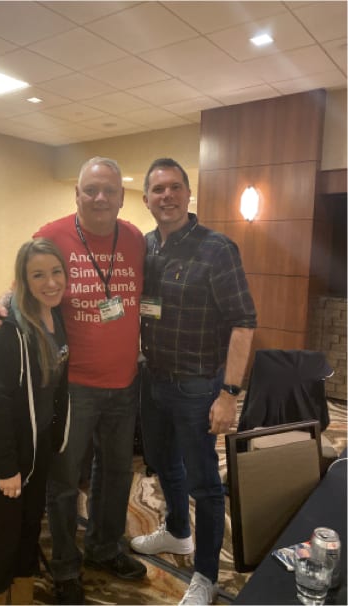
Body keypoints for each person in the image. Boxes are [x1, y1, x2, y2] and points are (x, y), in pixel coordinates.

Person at [0, 157, 147, 604]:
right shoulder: (52, 235)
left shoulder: (133, 238)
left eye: (109, 190)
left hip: (125, 383)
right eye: (90, 189)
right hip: (73, 389)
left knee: (115, 474)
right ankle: (66, 568)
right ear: (76, 193)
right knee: (64, 482)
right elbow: (24, 282)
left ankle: (105, 548)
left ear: (121, 195)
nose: (100, 198)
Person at [131, 158, 257, 605]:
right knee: (164, 464)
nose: (166, 196)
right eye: (157, 189)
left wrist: (229, 394)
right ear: (145, 199)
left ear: (188, 194)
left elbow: (243, 323)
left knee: (205, 482)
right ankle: (178, 534)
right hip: (154, 381)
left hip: (199, 387)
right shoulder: (144, 247)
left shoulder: (216, 248)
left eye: (175, 187)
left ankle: (204, 575)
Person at [0, 238, 70, 605]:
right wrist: (6, 467)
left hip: (36, 448)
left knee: (28, 531)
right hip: (1, 453)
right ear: (23, 281)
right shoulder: (7, 331)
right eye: (38, 275)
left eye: (56, 272)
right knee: (3, 538)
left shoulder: (55, 317)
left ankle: (21, 598)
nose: (51, 282)